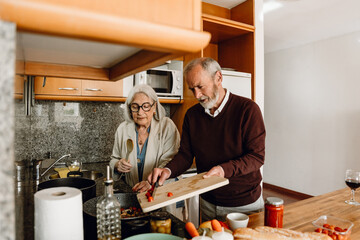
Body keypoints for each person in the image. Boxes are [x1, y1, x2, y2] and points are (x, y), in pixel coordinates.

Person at [147, 57, 266, 222]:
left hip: (244, 205)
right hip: (208, 202)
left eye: (200, 86)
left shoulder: (248, 110)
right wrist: (167, 170)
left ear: (218, 78)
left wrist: (223, 169)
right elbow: (186, 155)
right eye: (192, 89)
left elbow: (256, 157)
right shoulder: (192, 116)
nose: (197, 95)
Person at [109, 84, 180, 193]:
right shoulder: (122, 129)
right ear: (130, 108)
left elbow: (170, 161)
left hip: (161, 191)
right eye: (135, 106)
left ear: (154, 106)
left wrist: (150, 182)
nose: (140, 112)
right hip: (133, 192)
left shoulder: (167, 126)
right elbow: (114, 158)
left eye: (146, 106)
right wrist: (118, 165)